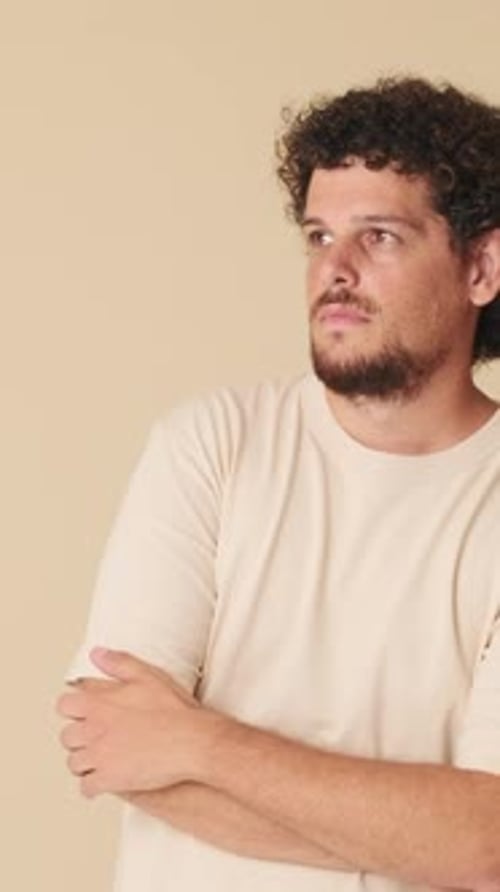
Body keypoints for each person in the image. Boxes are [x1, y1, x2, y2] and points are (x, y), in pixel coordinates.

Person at [57, 76, 500, 892]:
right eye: (319, 235)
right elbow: (108, 746)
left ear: (481, 266)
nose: (335, 269)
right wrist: (418, 833)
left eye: (380, 238)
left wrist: (197, 743)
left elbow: (487, 841)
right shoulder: (211, 445)